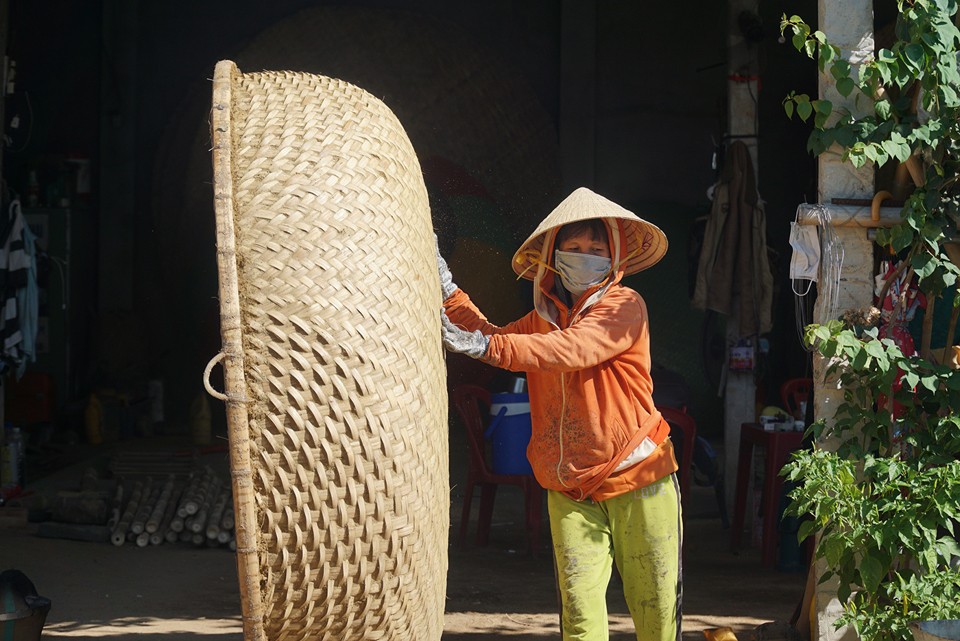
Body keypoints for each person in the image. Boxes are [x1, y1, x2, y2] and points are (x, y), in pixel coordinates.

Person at [437, 186, 681, 641]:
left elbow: (572, 348)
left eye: (597, 249)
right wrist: (447, 290)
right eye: (575, 248)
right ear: (554, 255)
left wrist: (491, 346)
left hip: (638, 478)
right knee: (581, 620)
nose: (586, 256)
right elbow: (491, 336)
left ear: (614, 258)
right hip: (569, 487)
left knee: (657, 616)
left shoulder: (625, 306)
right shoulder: (541, 321)